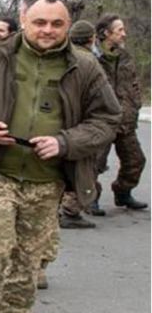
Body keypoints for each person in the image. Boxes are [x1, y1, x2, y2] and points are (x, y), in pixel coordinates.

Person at [0, 0, 118, 313]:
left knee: (28, 260)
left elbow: (108, 119)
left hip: (48, 180)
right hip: (0, 173)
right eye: (40, 22)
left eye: (57, 23)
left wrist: (66, 143)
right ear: (25, 21)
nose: (48, 30)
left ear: (67, 26)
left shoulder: (86, 68)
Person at [93, 13, 147, 211]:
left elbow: (133, 83)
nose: (124, 34)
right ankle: (91, 198)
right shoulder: (93, 59)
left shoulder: (125, 57)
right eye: (120, 30)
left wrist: (135, 104)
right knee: (94, 164)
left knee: (136, 161)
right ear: (106, 33)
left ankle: (123, 192)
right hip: (102, 121)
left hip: (126, 120)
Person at [58, 20, 102, 230]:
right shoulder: (87, 62)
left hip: (63, 124)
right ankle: (70, 211)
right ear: (91, 38)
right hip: (81, 125)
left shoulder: (62, 57)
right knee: (82, 168)